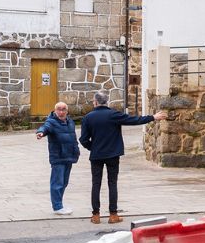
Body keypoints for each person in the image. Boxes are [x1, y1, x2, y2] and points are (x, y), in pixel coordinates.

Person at [78, 92, 169, 224]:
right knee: (112, 183)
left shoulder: (88, 117)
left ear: (96, 102)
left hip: (96, 155)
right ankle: (113, 214)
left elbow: (83, 139)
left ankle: (96, 215)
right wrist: (153, 117)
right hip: (113, 154)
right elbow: (134, 120)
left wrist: (93, 147)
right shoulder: (114, 114)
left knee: (96, 184)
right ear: (106, 102)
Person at [36, 101, 80, 216]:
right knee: (57, 182)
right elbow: (45, 127)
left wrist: (76, 150)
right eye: (59, 110)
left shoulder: (70, 122)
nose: (61, 112)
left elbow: (73, 137)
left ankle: (59, 204)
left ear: (67, 111)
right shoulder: (51, 121)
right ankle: (57, 207)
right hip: (58, 157)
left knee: (64, 182)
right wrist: (40, 132)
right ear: (55, 111)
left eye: (63, 109)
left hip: (69, 156)